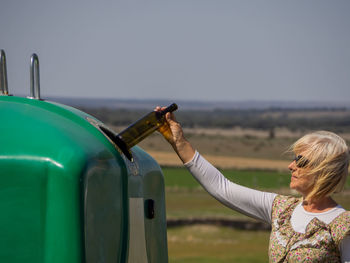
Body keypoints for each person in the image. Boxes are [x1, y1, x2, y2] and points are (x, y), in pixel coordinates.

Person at [156, 107, 350, 262]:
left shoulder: (343, 226)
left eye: (300, 161)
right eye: (293, 159)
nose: (291, 166)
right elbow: (221, 187)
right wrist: (178, 142)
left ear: (323, 170)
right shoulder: (281, 209)